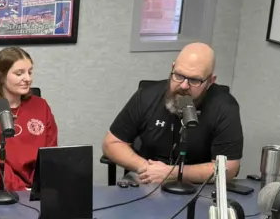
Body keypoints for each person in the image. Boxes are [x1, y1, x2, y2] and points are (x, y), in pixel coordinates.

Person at [103, 43, 243, 184]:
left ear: (210, 81)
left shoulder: (225, 107)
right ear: (172, 68)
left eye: (194, 80)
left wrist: (173, 173)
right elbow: (112, 143)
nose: (183, 86)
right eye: (179, 75)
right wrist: (147, 168)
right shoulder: (147, 96)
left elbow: (228, 168)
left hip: (196, 185)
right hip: (146, 176)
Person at [0, 47, 58, 191]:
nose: (28, 78)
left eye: (30, 72)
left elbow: (50, 155)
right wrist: (21, 190)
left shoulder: (41, 105)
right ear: (0, 76)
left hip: (35, 188)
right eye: (19, 73)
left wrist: (38, 187)